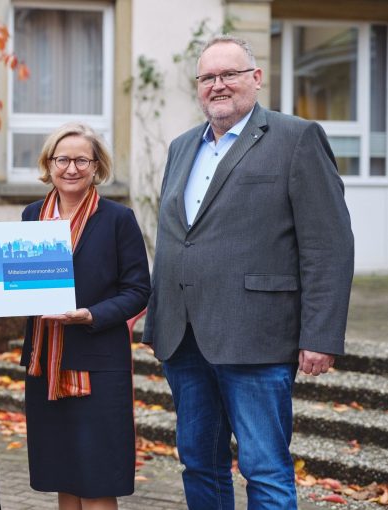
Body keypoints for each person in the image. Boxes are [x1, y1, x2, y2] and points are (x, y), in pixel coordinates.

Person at [142, 35, 355, 509]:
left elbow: (328, 244)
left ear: (255, 79)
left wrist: (320, 333)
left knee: (265, 469)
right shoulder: (181, 147)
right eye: (207, 78)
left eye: (229, 74)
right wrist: (156, 317)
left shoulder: (296, 138)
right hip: (185, 338)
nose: (217, 85)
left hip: (257, 335)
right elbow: (177, 239)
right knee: (198, 462)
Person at [19, 123, 151, 510]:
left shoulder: (117, 219)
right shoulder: (31, 216)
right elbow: (16, 283)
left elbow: (139, 290)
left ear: (97, 167)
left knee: (96, 477)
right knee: (64, 473)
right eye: (63, 159)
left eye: (82, 160)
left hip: (97, 365)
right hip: (45, 364)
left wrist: (91, 314)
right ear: (49, 163)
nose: (71, 168)